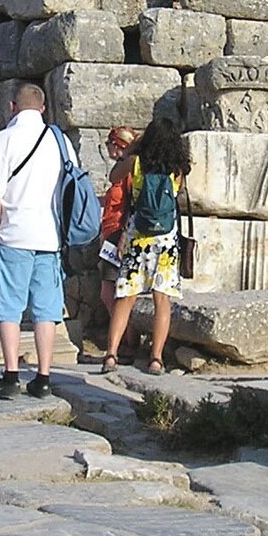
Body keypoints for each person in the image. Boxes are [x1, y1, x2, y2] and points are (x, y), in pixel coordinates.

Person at [0, 82, 75, 400]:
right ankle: (44, 377)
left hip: (13, 233)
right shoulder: (60, 141)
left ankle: (10, 375)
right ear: (43, 108)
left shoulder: (3, 139)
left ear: (12, 107)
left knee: (9, 307)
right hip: (49, 235)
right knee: (46, 310)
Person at [97, 118, 188, 375]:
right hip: (166, 240)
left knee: (125, 297)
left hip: (137, 236)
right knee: (162, 300)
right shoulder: (178, 169)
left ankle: (111, 354)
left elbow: (114, 177)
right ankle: (156, 358)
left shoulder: (135, 163)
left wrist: (134, 153)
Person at [84, 126, 138, 364]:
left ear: (119, 145)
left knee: (111, 293)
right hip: (110, 234)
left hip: (119, 235)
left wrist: (124, 233)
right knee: (111, 292)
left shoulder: (127, 173)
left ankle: (127, 341)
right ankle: (126, 340)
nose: (107, 148)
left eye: (110, 144)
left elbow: (131, 205)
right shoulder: (120, 172)